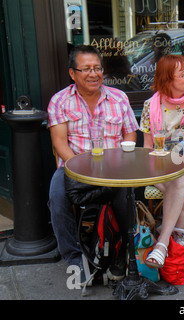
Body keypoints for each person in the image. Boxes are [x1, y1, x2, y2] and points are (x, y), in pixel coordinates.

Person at [47, 45, 139, 284]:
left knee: (125, 195)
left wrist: (121, 158)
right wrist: (80, 168)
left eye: (97, 68)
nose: (93, 74)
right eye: (86, 69)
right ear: (72, 73)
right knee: (57, 197)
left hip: (114, 167)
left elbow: (130, 134)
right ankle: (74, 258)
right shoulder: (60, 101)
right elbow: (59, 143)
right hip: (73, 167)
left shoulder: (119, 98)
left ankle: (122, 253)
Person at [139, 54, 184, 280]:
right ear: (166, 79)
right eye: (183, 74)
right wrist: (162, 160)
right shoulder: (149, 106)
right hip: (161, 168)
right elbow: (147, 148)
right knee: (179, 188)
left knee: (180, 178)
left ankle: (162, 243)